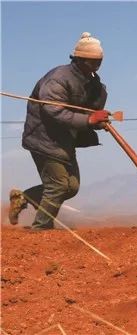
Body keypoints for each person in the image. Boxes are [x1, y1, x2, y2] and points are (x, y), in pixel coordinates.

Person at [8, 32, 111, 230]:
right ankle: (41, 229)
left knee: (71, 187)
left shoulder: (92, 82)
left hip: (65, 140)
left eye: (99, 61)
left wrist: (96, 121)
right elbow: (55, 112)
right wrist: (89, 119)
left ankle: (22, 198)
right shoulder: (58, 79)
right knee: (58, 186)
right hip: (43, 139)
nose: (96, 66)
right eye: (92, 61)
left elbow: (86, 111)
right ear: (79, 59)